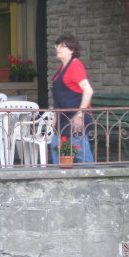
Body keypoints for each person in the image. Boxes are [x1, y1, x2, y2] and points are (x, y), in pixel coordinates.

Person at [50, 33, 94, 164]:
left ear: (72, 50)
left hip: (75, 118)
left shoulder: (74, 65)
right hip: (62, 117)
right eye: (57, 46)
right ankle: (60, 175)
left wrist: (79, 114)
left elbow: (88, 90)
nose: (58, 49)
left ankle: (91, 175)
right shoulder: (61, 68)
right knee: (56, 149)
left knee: (81, 154)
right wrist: (55, 116)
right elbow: (59, 95)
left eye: (62, 46)